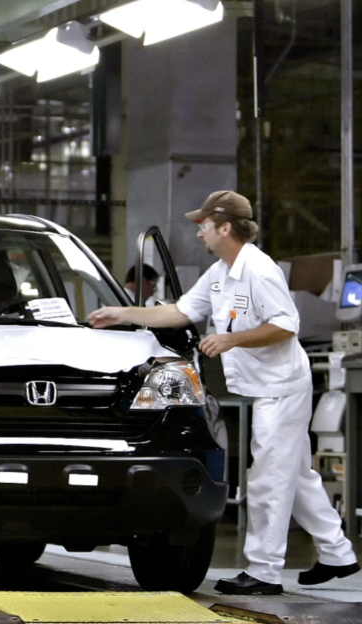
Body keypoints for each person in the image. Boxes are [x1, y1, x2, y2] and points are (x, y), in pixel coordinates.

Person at [89, 190, 359, 595]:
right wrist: (122, 313)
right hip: (265, 385)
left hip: (281, 387)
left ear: (225, 227)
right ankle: (339, 554)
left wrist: (233, 340)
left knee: (268, 477)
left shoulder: (259, 269)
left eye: (204, 225)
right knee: (295, 474)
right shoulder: (220, 272)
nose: (199, 233)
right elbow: (181, 311)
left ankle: (264, 572)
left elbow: (287, 324)